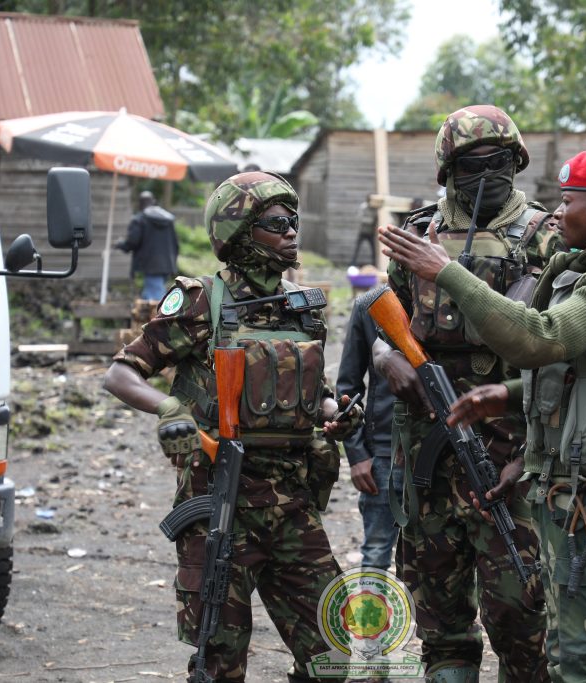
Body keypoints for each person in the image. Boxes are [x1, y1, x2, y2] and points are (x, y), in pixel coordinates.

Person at [380, 148, 586, 683]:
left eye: (570, 201)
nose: (558, 213)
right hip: (566, 481)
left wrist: (449, 272)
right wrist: (504, 396)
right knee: (566, 647)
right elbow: (571, 376)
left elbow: (541, 338)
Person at [104, 171, 362, 683]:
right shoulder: (201, 301)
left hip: (292, 503)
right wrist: (170, 410)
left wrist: (335, 412)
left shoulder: (304, 305)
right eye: (276, 224)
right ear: (240, 233)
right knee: (219, 661)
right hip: (221, 503)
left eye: (293, 222)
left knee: (331, 653)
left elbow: (316, 388)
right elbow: (121, 373)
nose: (292, 232)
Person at [371, 104, 556, 683]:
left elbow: (562, 354)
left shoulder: (545, 238)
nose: (484, 173)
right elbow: (382, 322)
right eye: (469, 163)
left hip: (507, 457)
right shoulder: (418, 232)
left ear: (518, 162)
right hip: (429, 447)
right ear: (446, 169)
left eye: (497, 161)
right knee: (442, 625)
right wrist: (387, 360)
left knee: (522, 620)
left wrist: (533, 453)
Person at [336, 294, 402, 571]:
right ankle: (371, 617)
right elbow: (347, 390)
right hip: (384, 456)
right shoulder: (370, 304)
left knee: (436, 561)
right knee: (376, 556)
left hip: (440, 456)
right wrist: (357, 453)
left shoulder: (447, 297)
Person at [116, 190, 180, 301]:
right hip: (167, 264)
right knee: (150, 295)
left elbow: (133, 242)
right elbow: (176, 243)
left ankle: (161, 318)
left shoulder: (139, 219)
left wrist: (120, 244)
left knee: (156, 302)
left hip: (150, 265)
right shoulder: (168, 219)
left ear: (140, 204)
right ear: (154, 201)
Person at [350, 194, 378, 267]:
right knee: (357, 249)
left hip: (371, 233)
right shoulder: (363, 207)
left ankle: (374, 264)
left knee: (373, 250)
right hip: (363, 231)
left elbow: (376, 218)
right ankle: (352, 263)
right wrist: (370, 220)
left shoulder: (375, 208)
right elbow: (360, 218)